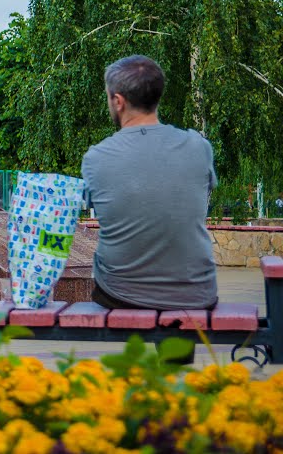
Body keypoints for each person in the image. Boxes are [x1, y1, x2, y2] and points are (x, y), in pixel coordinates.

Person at [83, 55, 218, 312]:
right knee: (178, 314)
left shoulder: (96, 157)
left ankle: (131, 352)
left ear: (119, 101)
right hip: (195, 291)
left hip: (119, 293)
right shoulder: (198, 146)